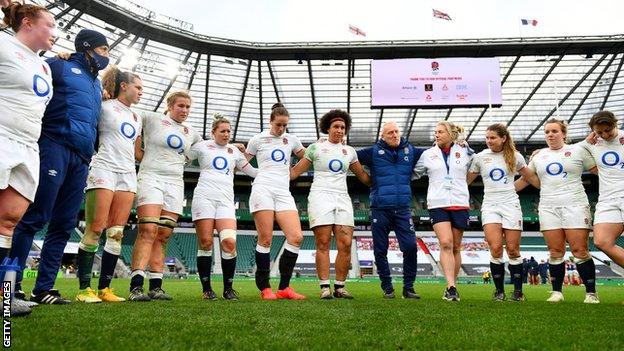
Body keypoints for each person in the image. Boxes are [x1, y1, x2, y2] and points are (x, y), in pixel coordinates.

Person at [10, 28, 109, 305]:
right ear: (88, 48)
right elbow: (29, 72)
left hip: (82, 157)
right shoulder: (59, 65)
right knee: (35, 216)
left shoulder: (96, 84)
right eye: (103, 51)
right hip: (54, 146)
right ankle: (12, 286)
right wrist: (50, 55)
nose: (106, 57)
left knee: (64, 224)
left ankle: (43, 289)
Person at [0, 0, 55, 316]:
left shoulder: (45, 65)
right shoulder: (3, 45)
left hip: (28, 146)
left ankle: (3, 297)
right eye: (50, 25)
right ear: (28, 23)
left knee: (8, 220)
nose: (55, 33)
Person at [74, 66, 143, 303]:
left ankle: (105, 289)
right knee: (96, 227)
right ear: (124, 86)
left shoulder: (137, 116)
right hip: (103, 167)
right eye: (138, 87)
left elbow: (136, 149)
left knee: (116, 233)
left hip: (127, 173)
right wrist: (98, 93)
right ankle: (84, 289)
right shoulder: (103, 105)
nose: (141, 92)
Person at [516, 118, 600, 303]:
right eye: (547, 132)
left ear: (564, 133)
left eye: (554, 131)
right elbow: (526, 180)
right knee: (555, 251)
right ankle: (557, 292)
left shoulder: (578, 150)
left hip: (575, 204)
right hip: (548, 207)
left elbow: (599, 171)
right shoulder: (538, 156)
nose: (550, 134)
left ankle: (591, 293)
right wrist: (500, 190)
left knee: (579, 249)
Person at [128, 91, 201, 301]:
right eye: (180, 106)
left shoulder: (191, 132)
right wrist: (137, 146)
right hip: (151, 177)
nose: (184, 110)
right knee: (148, 230)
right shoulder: (152, 118)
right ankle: (136, 287)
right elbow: (128, 115)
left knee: (163, 235)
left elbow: (204, 148)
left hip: (175, 183)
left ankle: (156, 286)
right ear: (169, 105)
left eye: (188, 107)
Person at [290, 110, 370, 299]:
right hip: (320, 196)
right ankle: (325, 287)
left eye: (343, 127)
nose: (340, 130)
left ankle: (340, 287)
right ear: (327, 128)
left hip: (342, 197)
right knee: (323, 242)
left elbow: (364, 177)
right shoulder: (315, 148)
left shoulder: (349, 151)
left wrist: (388, 179)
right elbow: (295, 173)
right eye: (336, 126)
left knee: (346, 243)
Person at [239, 103, 306, 300]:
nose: (281, 129)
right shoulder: (257, 139)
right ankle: (265, 287)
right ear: (271, 121)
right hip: (262, 189)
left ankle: (284, 287)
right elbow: (241, 161)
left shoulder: (291, 140)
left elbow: (309, 156)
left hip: (283, 192)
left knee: (296, 237)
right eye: (278, 125)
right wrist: (256, 173)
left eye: (285, 126)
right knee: (265, 238)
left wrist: (295, 171)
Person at [187, 114, 257, 301]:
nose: (226, 134)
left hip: (226, 202)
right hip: (204, 199)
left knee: (229, 242)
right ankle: (207, 289)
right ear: (213, 132)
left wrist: (275, 170)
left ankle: (228, 288)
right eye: (222, 131)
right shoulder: (201, 147)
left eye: (228, 131)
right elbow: (181, 159)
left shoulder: (234, 151)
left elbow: (252, 172)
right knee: (206, 243)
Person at [357, 121, 423, 299]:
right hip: (380, 208)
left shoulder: (411, 150)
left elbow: (434, 154)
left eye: (396, 131)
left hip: (403, 209)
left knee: (410, 248)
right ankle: (387, 287)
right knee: (380, 250)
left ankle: (408, 288)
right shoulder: (372, 152)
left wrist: (459, 144)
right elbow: (349, 156)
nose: (394, 135)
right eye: (390, 133)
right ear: (382, 136)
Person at [467, 123, 530, 301]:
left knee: (512, 249)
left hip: (511, 204)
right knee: (495, 248)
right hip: (490, 205)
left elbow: (529, 176)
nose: (489, 141)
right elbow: (466, 181)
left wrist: (514, 189)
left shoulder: (516, 156)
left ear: (503, 138)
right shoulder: (480, 157)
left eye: (492, 137)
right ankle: (499, 291)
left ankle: (518, 292)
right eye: (487, 138)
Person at [414, 121, 473, 301]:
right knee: (446, 243)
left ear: (451, 134)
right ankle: (450, 286)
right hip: (437, 204)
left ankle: (452, 285)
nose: (436, 135)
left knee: (455, 246)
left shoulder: (466, 152)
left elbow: (479, 168)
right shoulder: (428, 154)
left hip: (460, 203)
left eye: (440, 132)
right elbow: (414, 173)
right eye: (435, 132)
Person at [577, 111, 624, 295]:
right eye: (599, 132)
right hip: (608, 199)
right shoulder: (591, 143)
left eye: (608, 130)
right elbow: (565, 150)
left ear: (615, 124)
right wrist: (542, 151)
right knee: (602, 241)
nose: (604, 135)